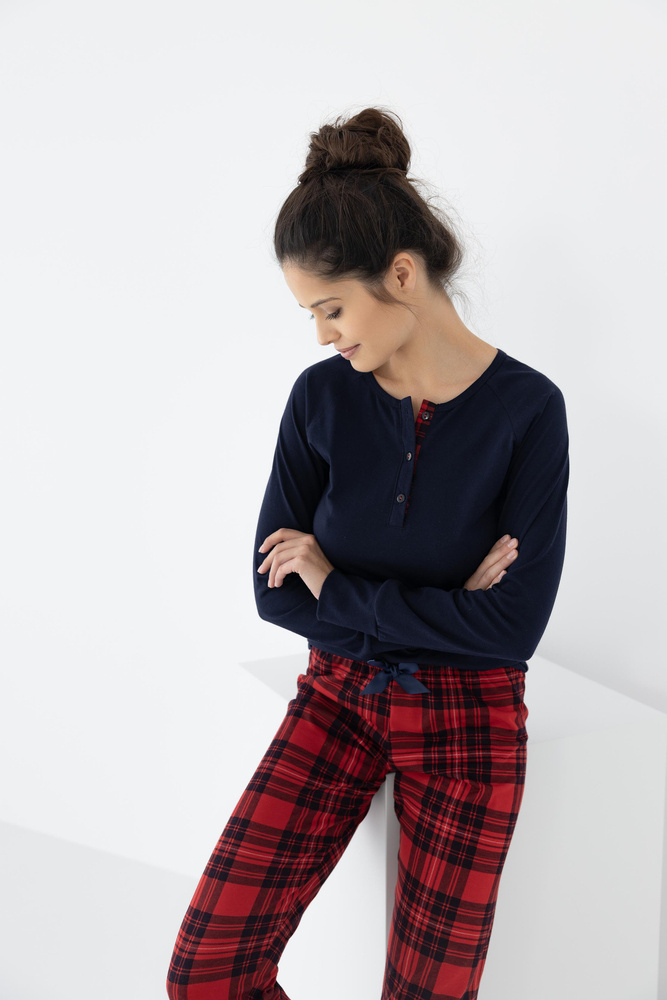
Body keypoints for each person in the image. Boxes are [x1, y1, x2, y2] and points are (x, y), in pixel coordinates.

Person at [166, 106, 569, 1000]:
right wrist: (447, 604)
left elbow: (511, 629)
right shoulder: (320, 399)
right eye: (310, 313)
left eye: (331, 307)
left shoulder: (527, 410)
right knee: (207, 972)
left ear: (401, 274)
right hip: (337, 700)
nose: (321, 334)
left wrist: (338, 583)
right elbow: (277, 595)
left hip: (468, 726)